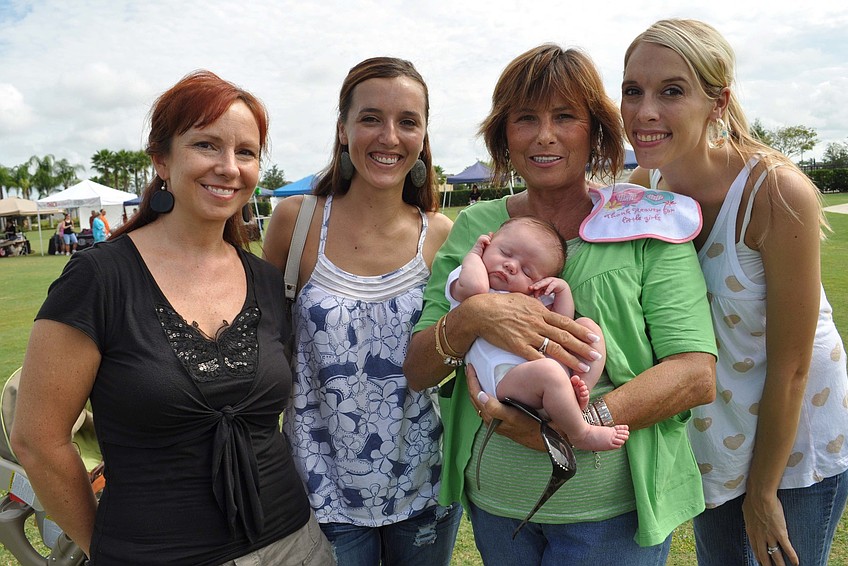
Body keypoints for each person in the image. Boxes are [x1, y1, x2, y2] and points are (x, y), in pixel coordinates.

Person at [403, 44, 717, 565]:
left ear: (595, 131)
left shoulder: (646, 222)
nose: (544, 135)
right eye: (526, 118)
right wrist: (476, 315)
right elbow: (419, 368)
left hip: (610, 517)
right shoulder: (478, 229)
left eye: (565, 116)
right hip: (498, 507)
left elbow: (694, 372)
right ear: (505, 133)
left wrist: (567, 425)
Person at [11, 70, 334, 566]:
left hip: (294, 544)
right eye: (207, 145)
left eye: (245, 152)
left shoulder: (268, 284)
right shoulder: (99, 279)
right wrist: (109, 548)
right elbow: (37, 439)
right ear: (161, 159)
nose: (229, 167)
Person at [621, 19, 848, 566]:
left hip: (793, 449)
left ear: (717, 101)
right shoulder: (642, 192)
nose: (644, 111)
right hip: (713, 442)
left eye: (671, 91)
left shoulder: (774, 191)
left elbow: (793, 366)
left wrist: (765, 491)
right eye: (633, 90)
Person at [262, 57, 460, 565]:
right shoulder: (295, 222)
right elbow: (264, 344)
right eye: (371, 118)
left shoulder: (439, 235)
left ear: (422, 135)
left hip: (424, 482)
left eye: (407, 121)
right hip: (317, 488)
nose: (388, 136)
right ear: (344, 128)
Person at [448, 216, 627, 452]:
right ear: (487, 243)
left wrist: (561, 291)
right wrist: (473, 256)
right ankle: (581, 433)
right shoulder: (466, 275)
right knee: (549, 371)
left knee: (588, 330)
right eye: (505, 252)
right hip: (505, 379)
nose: (511, 266)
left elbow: (561, 327)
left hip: (542, 375)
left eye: (527, 271)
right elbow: (476, 290)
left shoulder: (531, 296)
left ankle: (576, 389)